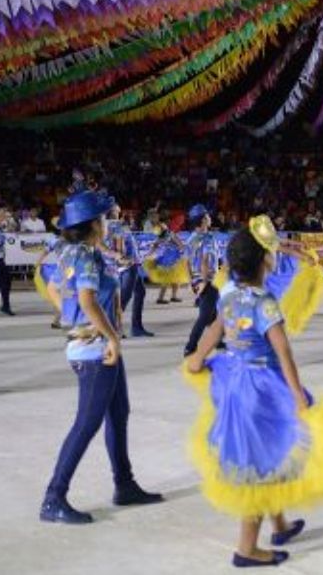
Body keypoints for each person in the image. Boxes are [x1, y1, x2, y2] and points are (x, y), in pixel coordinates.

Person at [183, 216, 323, 567]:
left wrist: (196, 359)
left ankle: (280, 525)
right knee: (261, 461)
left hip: (234, 381)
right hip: (261, 387)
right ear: (264, 261)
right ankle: (246, 550)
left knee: (267, 451)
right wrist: (297, 395)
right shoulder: (265, 302)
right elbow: (283, 351)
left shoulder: (228, 293)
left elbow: (214, 329)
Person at [40, 189, 163, 524]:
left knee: (118, 413)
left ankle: (124, 485)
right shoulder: (86, 256)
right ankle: (53, 498)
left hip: (94, 345)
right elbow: (87, 300)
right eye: (105, 218)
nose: (109, 222)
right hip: (96, 349)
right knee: (87, 423)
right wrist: (108, 335)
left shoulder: (70, 252)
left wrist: (73, 318)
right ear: (93, 223)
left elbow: (52, 288)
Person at [108, 205, 151, 338]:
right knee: (124, 299)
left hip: (131, 263)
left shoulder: (114, 225)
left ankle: (136, 327)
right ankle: (113, 328)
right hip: (128, 265)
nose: (119, 211)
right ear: (111, 212)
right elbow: (119, 247)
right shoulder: (116, 226)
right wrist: (123, 259)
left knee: (140, 292)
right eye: (116, 209)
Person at [184, 204, 221, 355]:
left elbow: (186, 262)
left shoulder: (190, 238)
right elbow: (205, 261)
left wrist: (190, 282)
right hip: (208, 280)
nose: (210, 218)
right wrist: (205, 282)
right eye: (207, 216)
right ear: (203, 220)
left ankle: (218, 340)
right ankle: (190, 346)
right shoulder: (208, 239)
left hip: (196, 280)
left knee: (213, 313)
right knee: (205, 316)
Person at [144, 224, 190, 305]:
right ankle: (161, 298)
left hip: (169, 258)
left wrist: (149, 254)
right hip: (171, 259)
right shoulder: (169, 235)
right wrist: (181, 250)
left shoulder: (163, 236)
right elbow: (180, 245)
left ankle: (173, 296)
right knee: (170, 279)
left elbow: (154, 246)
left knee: (175, 278)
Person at [32, 221, 66, 329]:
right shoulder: (62, 239)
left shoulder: (54, 239)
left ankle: (57, 320)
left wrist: (37, 263)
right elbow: (45, 252)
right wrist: (37, 263)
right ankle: (59, 319)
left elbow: (44, 252)